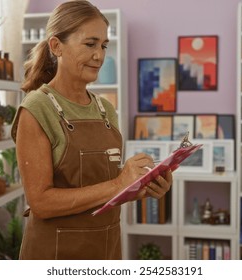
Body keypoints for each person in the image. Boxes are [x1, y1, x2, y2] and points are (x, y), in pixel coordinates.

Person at [11, 0, 173, 260]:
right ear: (56, 46)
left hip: (105, 251)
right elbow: (40, 203)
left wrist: (137, 188)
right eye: (90, 44)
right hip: (56, 255)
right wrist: (119, 182)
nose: (99, 55)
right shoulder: (36, 108)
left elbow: (101, 188)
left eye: (103, 45)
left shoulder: (105, 109)